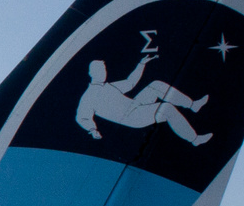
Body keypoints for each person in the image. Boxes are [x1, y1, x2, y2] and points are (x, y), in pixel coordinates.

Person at [75, 55, 211, 146]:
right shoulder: (88, 96)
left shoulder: (109, 86)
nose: (103, 72)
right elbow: (82, 117)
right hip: (131, 117)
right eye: (99, 70)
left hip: (134, 106)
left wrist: (141, 64)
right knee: (167, 108)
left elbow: (130, 83)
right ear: (91, 73)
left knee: (156, 85)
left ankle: (192, 105)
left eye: (104, 69)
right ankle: (194, 139)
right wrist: (93, 130)